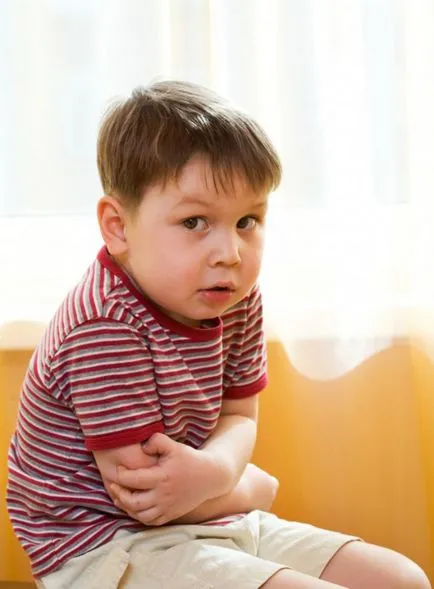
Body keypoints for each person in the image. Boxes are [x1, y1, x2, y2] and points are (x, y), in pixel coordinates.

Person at [7, 80, 430, 589]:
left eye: (248, 220)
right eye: (194, 222)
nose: (230, 251)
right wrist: (245, 483)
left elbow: (238, 414)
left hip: (208, 512)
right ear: (117, 226)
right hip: (106, 546)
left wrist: (226, 476)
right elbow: (146, 499)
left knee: (402, 579)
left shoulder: (232, 293)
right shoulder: (104, 325)